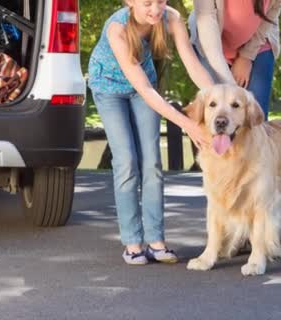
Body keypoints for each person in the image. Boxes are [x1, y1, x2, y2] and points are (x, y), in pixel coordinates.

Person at [88, 0, 214, 265]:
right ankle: (132, 243)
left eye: (161, 1)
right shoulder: (117, 29)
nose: (156, 9)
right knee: (126, 162)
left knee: (152, 162)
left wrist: (217, 97)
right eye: (147, 3)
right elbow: (145, 91)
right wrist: (188, 124)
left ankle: (156, 242)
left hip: (144, 86)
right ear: (129, 2)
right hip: (109, 89)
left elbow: (191, 63)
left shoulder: (171, 18)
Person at [189, 0, 280, 120]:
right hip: (211, 46)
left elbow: (268, 20)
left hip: (257, 44)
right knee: (215, 111)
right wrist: (235, 92)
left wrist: (246, 57)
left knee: (255, 120)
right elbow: (211, 46)